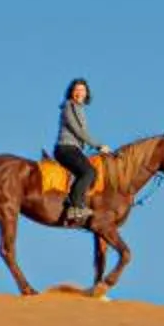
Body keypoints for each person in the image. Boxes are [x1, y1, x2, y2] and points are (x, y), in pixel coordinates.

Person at [51, 78, 104, 228]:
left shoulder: (80, 109)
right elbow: (79, 131)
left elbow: (81, 134)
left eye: (82, 90)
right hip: (65, 148)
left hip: (74, 149)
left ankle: (75, 201)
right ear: (71, 92)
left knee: (90, 172)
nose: (79, 93)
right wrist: (98, 145)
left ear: (86, 93)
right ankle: (75, 206)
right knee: (89, 172)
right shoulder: (69, 106)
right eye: (76, 90)